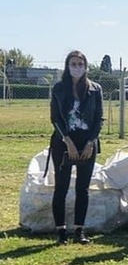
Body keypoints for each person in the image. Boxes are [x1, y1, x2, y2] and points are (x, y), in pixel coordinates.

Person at [49, 50, 103, 245]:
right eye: (73, 64)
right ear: (67, 66)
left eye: (80, 64)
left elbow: (98, 120)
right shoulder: (58, 88)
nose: (77, 67)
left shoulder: (95, 89)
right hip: (63, 143)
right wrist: (68, 141)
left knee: (83, 188)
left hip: (87, 143)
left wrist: (91, 143)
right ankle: (61, 231)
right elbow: (55, 118)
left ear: (86, 67)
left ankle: (79, 230)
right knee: (61, 188)